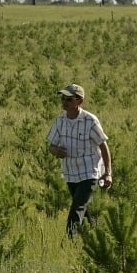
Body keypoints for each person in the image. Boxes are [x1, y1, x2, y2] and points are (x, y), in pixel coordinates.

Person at [46, 83, 112, 237]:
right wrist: (56, 151)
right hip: (70, 172)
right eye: (62, 98)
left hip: (89, 172)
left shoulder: (90, 121)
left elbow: (104, 147)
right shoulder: (59, 121)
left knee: (77, 207)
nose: (64, 102)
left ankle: (70, 240)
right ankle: (97, 238)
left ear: (79, 101)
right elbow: (51, 146)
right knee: (84, 208)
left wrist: (108, 173)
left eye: (68, 99)